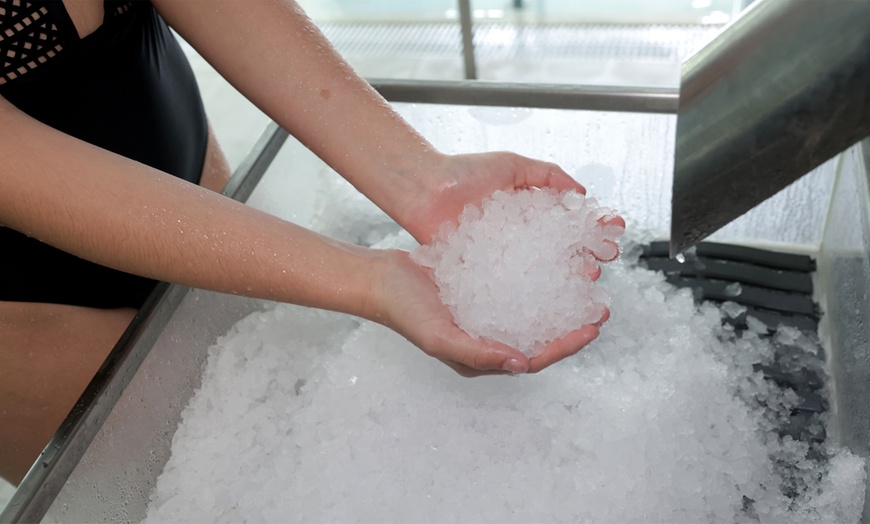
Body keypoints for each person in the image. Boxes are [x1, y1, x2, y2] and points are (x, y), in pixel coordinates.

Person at [0, 0, 623, 485]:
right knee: (216, 490)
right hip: (33, 304)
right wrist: (370, 278)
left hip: (193, 179)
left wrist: (421, 178)